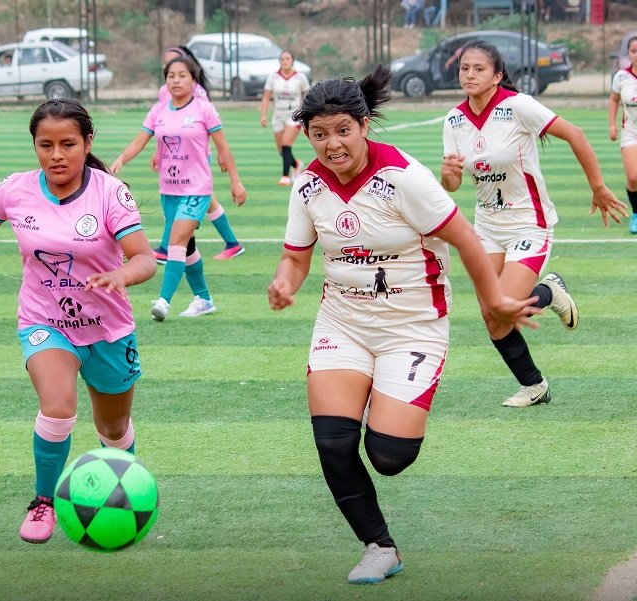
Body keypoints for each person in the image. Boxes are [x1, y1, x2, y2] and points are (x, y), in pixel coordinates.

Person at [267, 67, 540, 585]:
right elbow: (296, 257)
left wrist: (498, 301)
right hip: (342, 322)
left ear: (364, 125)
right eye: (319, 134)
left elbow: (466, 240)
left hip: (413, 326)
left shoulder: (403, 178)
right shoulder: (306, 185)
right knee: (332, 441)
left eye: (342, 130)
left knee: (389, 456)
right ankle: (379, 546)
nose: (332, 144)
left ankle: (387, 400)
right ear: (308, 135)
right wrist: (285, 281)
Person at [0, 98, 157, 544]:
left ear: (88, 143)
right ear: (35, 146)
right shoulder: (14, 190)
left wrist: (121, 275)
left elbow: (145, 258)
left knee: (113, 429)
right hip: (44, 322)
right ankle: (43, 502)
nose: (57, 155)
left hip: (109, 329)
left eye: (68, 144)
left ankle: (124, 496)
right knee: (57, 407)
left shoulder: (110, 192)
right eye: (46, 145)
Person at [440, 40, 627, 406]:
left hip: (529, 223)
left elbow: (574, 133)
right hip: (487, 227)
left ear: (496, 76)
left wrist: (599, 188)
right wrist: (448, 175)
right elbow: (453, 183)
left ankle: (549, 292)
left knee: (505, 303)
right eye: (465, 68)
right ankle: (535, 385)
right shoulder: (454, 119)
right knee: (493, 318)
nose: (470, 74)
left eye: (479, 69)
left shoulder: (517, 106)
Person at [111, 55, 246, 320]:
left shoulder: (204, 109)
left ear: (193, 80)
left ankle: (163, 301)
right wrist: (121, 159)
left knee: (175, 240)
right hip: (169, 189)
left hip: (197, 188)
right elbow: (140, 140)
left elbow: (222, 147)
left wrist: (235, 180)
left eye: (182, 75)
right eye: (171, 76)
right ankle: (204, 299)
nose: (176, 80)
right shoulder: (159, 110)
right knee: (188, 247)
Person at [151, 45, 245, 262]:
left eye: (173, 62)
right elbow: (164, 125)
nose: (169, 67)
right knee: (206, 200)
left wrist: (222, 154)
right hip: (174, 154)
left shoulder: (197, 92)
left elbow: (207, 122)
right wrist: (158, 151)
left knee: (192, 198)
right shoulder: (164, 91)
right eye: (166, 64)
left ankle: (168, 247)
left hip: (195, 155)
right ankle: (232, 243)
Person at [260, 50, 311, 186]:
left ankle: (285, 176)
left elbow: (308, 96)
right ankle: (296, 164)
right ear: (280, 61)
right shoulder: (273, 77)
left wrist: (306, 114)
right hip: (278, 115)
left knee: (286, 143)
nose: (285, 61)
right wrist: (263, 115)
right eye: (282, 59)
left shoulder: (300, 77)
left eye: (287, 58)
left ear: (292, 60)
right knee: (281, 151)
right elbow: (266, 97)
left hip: (294, 114)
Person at [608, 34, 637, 234]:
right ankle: (636, 213)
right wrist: (612, 125)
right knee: (634, 177)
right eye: (634, 51)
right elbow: (613, 99)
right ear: (629, 53)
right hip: (631, 133)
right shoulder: (621, 77)